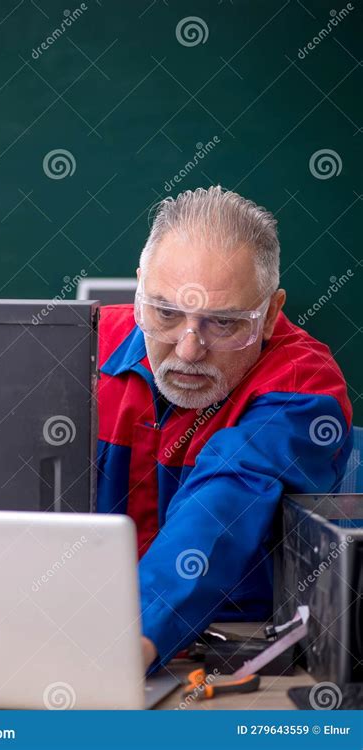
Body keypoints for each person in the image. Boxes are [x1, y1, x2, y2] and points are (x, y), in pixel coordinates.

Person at [96, 186, 353, 671]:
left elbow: (224, 503)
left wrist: (124, 644)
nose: (189, 350)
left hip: (235, 653)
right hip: (56, 631)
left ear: (272, 314)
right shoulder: (74, 350)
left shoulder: (303, 388)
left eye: (225, 324)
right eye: (166, 313)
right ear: (137, 291)